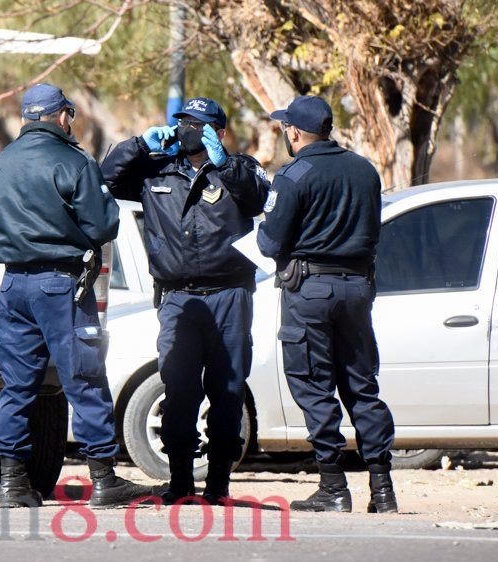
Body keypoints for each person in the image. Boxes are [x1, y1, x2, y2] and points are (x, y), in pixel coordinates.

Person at [0, 83, 150, 509]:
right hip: (58, 286)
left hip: (12, 286)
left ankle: (12, 483)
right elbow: (102, 226)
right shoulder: (73, 160)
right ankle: (104, 479)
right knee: (84, 378)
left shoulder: (4, 160)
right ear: (61, 115)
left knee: (16, 386)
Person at [101, 97, 269, 505]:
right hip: (178, 298)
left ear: (219, 132)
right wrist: (139, 145)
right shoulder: (158, 168)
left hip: (229, 294)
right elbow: (104, 176)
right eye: (183, 122)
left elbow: (258, 198)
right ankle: (179, 482)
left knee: (228, 390)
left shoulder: (239, 168)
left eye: (199, 124)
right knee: (178, 389)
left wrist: (223, 164)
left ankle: (218, 484)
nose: (187, 129)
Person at [257, 95, 397, 513]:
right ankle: (383, 488)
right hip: (357, 288)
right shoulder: (364, 169)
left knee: (313, 384)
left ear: (295, 132)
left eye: (285, 128)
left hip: (310, 292)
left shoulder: (294, 174)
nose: (285, 134)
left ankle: (333, 487)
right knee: (361, 384)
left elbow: (270, 242)